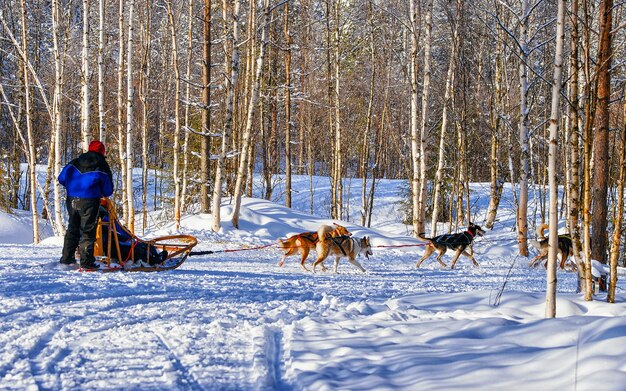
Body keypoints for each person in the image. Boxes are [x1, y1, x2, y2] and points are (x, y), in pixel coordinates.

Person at [58, 140, 113, 270]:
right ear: (102, 152)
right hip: (90, 200)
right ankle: (86, 262)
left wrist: (73, 187)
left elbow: (61, 178)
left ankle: (67, 258)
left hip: (72, 199)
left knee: (72, 228)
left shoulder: (75, 162)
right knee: (87, 231)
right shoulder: (102, 165)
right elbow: (108, 190)